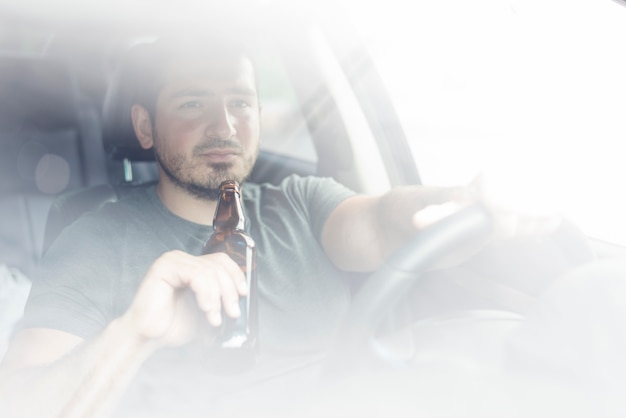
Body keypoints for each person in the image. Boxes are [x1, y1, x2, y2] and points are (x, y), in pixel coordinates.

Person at [0, 35, 562, 417]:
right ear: (145, 127)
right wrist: (137, 332)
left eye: (240, 103)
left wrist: (463, 199)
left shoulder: (301, 203)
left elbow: (385, 219)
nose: (223, 125)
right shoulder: (92, 239)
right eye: (193, 103)